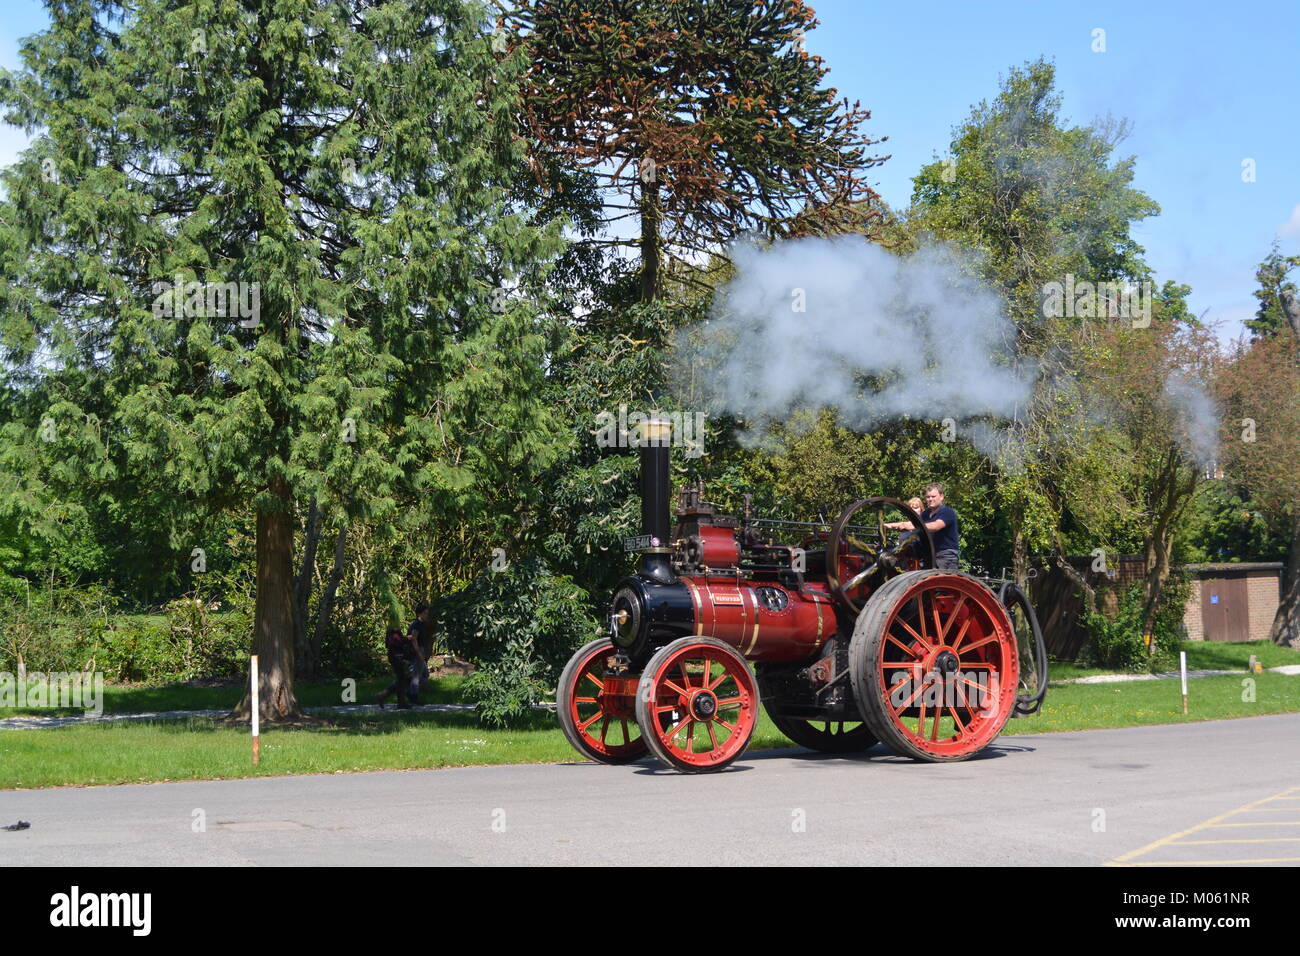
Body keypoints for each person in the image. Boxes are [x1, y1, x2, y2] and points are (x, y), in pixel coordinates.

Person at [887, 483, 960, 571]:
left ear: (941, 496)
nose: (930, 499)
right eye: (928, 497)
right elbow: (909, 523)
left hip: (945, 556)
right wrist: (888, 525)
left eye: (933, 496)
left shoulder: (947, 512)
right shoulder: (926, 514)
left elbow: (936, 525)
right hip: (929, 555)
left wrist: (913, 526)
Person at [377, 626, 421, 709]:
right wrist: (407, 639)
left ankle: (400, 702)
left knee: (403, 679)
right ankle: (383, 695)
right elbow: (395, 642)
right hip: (396, 657)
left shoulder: (393, 631)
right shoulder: (393, 632)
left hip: (397, 656)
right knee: (402, 679)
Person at [407, 603, 433, 693]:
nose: (427, 615)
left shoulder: (421, 623)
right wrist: (419, 653)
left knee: (425, 674)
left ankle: (410, 691)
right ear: (419, 614)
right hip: (417, 650)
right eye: (425, 613)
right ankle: (412, 694)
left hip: (420, 650)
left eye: (427, 613)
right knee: (417, 675)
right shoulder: (417, 624)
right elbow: (414, 639)